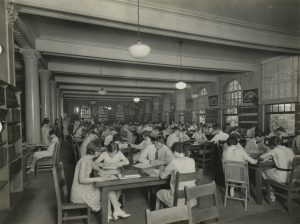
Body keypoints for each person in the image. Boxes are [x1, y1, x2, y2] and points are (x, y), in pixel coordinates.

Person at [71, 142, 129, 221]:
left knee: (107, 188)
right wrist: (99, 179)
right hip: (79, 191)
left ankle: (111, 213)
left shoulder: (88, 158)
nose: (99, 153)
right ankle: (115, 211)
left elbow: (94, 165)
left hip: (84, 187)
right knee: (106, 189)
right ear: (94, 152)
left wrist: (100, 170)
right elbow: (82, 179)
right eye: (98, 151)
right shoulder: (84, 161)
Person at [156, 142, 197, 207]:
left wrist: (161, 167)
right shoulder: (192, 160)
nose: (172, 154)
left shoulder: (174, 162)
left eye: (172, 152)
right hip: (191, 198)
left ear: (175, 151)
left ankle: (160, 214)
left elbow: (162, 176)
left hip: (176, 199)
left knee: (158, 192)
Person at [260, 136, 295, 201]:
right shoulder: (290, 149)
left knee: (262, 171)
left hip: (281, 177)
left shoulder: (275, 150)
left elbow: (261, 157)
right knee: (273, 170)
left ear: (272, 145)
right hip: (292, 177)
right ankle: (274, 190)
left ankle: (270, 193)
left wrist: (270, 152)